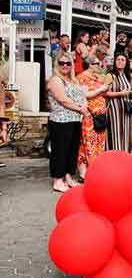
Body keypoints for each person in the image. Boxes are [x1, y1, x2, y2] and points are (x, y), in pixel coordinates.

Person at [46, 53, 88, 192]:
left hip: (74, 120)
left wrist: (84, 106)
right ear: (57, 64)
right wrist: (80, 108)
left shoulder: (73, 80)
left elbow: (82, 95)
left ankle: (68, 177)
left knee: (72, 150)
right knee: (60, 151)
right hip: (60, 121)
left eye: (68, 63)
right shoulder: (55, 80)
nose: (65, 65)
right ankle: (58, 180)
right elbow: (62, 99)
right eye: (61, 63)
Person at [77, 56, 111, 179]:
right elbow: (84, 95)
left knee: (99, 142)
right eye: (97, 64)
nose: (100, 66)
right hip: (89, 114)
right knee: (88, 143)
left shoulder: (98, 77)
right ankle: (85, 172)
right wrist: (101, 89)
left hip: (100, 115)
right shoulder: (82, 78)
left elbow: (105, 92)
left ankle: (96, 169)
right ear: (90, 65)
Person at [105, 53, 132, 152]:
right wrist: (121, 93)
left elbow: (130, 91)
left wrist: (131, 93)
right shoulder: (110, 75)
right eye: (118, 59)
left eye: (123, 60)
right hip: (114, 107)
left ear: (126, 63)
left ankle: (124, 154)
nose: (120, 62)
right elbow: (105, 93)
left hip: (126, 108)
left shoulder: (127, 76)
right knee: (116, 131)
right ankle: (115, 154)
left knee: (125, 132)